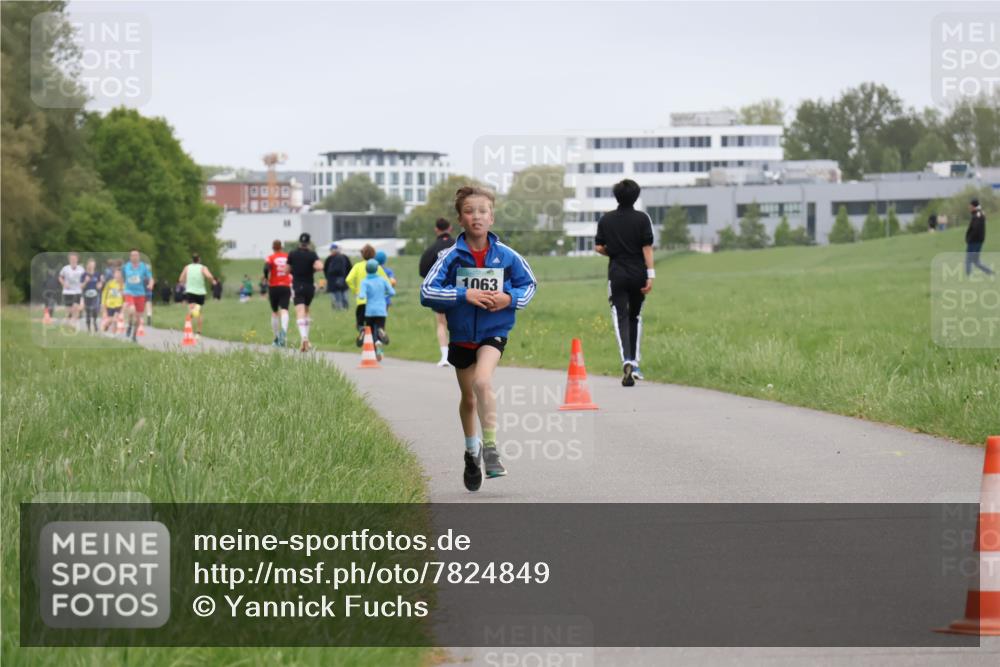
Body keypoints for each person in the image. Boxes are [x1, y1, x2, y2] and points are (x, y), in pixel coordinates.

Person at [420, 186, 537, 491]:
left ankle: (491, 449)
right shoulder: (450, 257)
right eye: (470, 211)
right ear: (460, 218)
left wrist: (508, 298)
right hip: (461, 336)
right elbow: (427, 291)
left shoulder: (507, 256)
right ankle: (471, 453)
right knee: (469, 398)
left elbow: (530, 285)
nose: (477, 216)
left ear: (492, 217)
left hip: (493, 332)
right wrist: (464, 294)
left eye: (483, 211)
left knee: (483, 383)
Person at [594, 179, 655, 387]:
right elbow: (647, 248)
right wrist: (651, 274)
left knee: (620, 316)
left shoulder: (606, 220)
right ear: (636, 196)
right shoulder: (642, 219)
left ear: (616, 196)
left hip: (617, 274)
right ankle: (635, 364)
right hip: (638, 273)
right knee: (635, 317)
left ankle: (626, 359)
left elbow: (599, 247)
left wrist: (613, 251)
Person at [420, 218, 456, 366]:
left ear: (436, 230)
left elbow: (422, 270)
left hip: (440, 290)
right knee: (458, 322)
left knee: (441, 323)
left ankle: (445, 356)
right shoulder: (459, 245)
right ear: (451, 228)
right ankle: (459, 356)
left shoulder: (432, 249)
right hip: (459, 289)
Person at [346, 244, 391, 345]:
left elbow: (348, 279)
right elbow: (387, 282)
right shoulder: (377, 267)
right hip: (376, 302)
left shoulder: (357, 266)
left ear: (362, 255)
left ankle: (362, 330)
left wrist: (355, 291)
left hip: (362, 302)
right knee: (377, 324)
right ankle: (379, 336)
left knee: (362, 324)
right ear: (374, 255)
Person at [286, 232, 323, 352]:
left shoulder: (292, 254)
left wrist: (293, 270)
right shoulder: (312, 254)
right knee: (306, 310)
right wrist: (311, 268)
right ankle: (307, 339)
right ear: (308, 243)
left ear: (299, 242)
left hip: (298, 285)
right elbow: (319, 266)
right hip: (309, 286)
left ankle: (304, 337)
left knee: (299, 311)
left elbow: (286, 270)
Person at [358, 258, 396, 360]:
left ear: (366, 270)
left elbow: (361, 296)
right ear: (376, 269)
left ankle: (375, 347)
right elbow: (392, 292)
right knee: (380, 327)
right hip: (381, 309)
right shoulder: (383, 280)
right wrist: (384, 294)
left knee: (370, 331)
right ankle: (379, 341)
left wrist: (363, 295)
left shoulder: (364, 282)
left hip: (370, 310)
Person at [178, 253, 218, 337]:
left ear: (192, 260)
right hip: (200, 293)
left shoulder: (187, 267)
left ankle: (189, 330)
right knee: (198, 312)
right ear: (199, 259)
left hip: (190, 292)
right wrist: (213, 281)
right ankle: (198, 333)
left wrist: (185, 281)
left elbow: (180, 279)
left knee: (191, 311)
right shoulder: (203, 268)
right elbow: (209, 276)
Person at [263, 239, 292, 347]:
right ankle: (283, 331)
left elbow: (266, 267)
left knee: (275, 312)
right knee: (284, 310)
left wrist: (266, 277)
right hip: (285, 285)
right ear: (281, 247)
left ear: (273, 248)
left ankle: (276, 337)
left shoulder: (270, 257)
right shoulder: (287, 256)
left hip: (274, 286)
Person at [122, 249, 153, 342]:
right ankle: (130, 324)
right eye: (132, 255)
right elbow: (122, 277)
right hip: (129, 292)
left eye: (136, 255)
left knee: (139, 316)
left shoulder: (143, 267)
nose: (134, 257)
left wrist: (150, 284)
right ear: (130, 257)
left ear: (139, 257)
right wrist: (121, 287)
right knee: (132, 310)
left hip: (140, 293)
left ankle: (134, 336)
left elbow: (150, 277)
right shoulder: (126, 267)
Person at [966, 198, 994, 276]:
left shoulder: (977, 215)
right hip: (978, 240)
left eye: (970, 206)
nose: (969, 207)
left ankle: (968, 276)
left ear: (974, 206)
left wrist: (969, 238)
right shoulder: (979, 213)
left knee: (968, 259)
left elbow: (976, 229)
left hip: (974, 241)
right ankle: (990, 272)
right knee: (976, 261)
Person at [58, 251, 86, 331]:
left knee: (76, 307)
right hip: (67, 292)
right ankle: (69, 322)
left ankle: (74, 325)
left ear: (77, 260)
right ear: (69, 260)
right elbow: (60, 277)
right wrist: (64, 284)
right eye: (71, 259)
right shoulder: (65, 268)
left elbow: (84, 279)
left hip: (77, 291)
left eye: (75, 259)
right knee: (69, 310)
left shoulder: (81, 269)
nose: (73, 260)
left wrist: (83, 284)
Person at [323, 243, 352, 310]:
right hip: (332, 282)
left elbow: (349, 268)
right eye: (332, 249)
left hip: (343, 280)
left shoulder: (344, 257)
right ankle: (338, 309)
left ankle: (345, 308)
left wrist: (347, 277)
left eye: (335, 249)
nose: (333, 251)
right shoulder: (329, 259)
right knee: (335, 297)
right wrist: (328, 278)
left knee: (345, 296)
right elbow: (326, 270)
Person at [81, 258, 104, 333]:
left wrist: (100, 284)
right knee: (88, 311)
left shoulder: (97, 274)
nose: (91, 267)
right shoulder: (84, 275)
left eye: (93, 265)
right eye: (90, 265)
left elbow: (101, 284)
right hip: (87, 295)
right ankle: (88, 328)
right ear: (87, 265)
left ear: (94, 266)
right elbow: (81, 286)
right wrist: (85, 281)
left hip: (95, 295)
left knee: (94, 309)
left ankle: (94, 322)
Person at [101, 268, 125, 333]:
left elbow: (125, 297)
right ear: (114, 275)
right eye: (116, 274)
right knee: (110, 320)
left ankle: (113, 335)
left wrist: (123, 305)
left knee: (115, 320)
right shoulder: (110, 283)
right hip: (109, 305)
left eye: (119, 274)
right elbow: (104, 293)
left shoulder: (123, 285)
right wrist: (103, 303)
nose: (117, 275)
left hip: (118, 305)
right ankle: (105, 327)